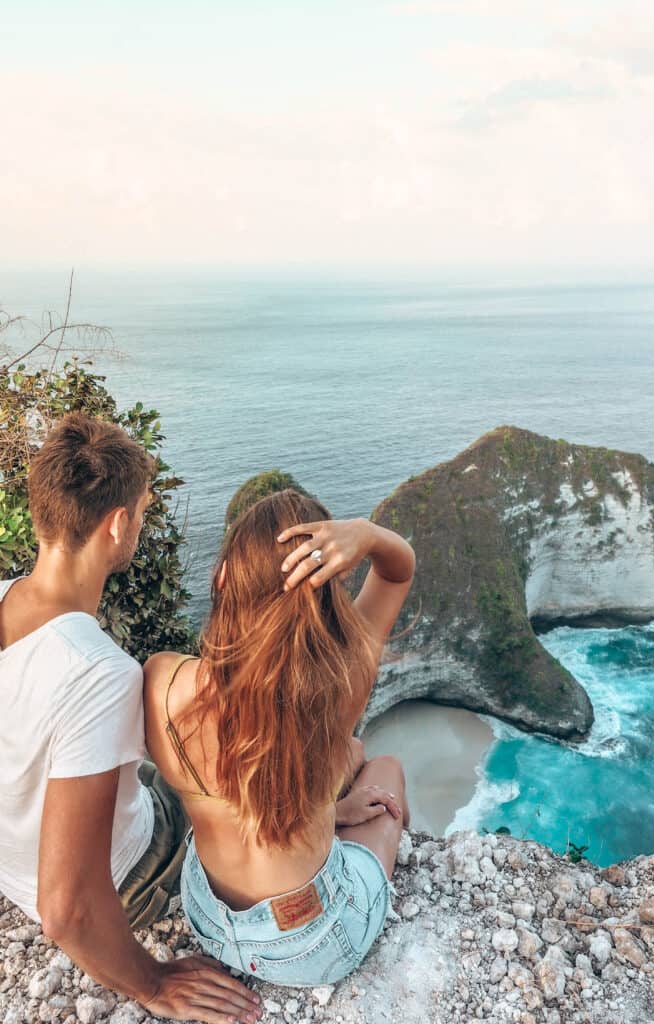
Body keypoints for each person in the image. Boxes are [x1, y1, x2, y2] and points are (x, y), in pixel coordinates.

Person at [0, 412, 262, 1024]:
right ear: (118, 525)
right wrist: (151, 984)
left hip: (13, 864)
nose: (142, 522)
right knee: (224, 774)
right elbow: (66, 908)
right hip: (133, 878)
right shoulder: (97, 672)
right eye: (143, 511)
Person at [142, 489, 415, 986]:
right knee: (384, 768)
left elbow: (246, 786)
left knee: (346, 752)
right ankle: (344, 826)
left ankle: (327, 813)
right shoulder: (344, 681)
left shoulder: (162, 681)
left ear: (222, 579)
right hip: (308, 943)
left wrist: (330, 809)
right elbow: (398, 570)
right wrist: (368, 533)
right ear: (331, 592)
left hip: (208, 918)